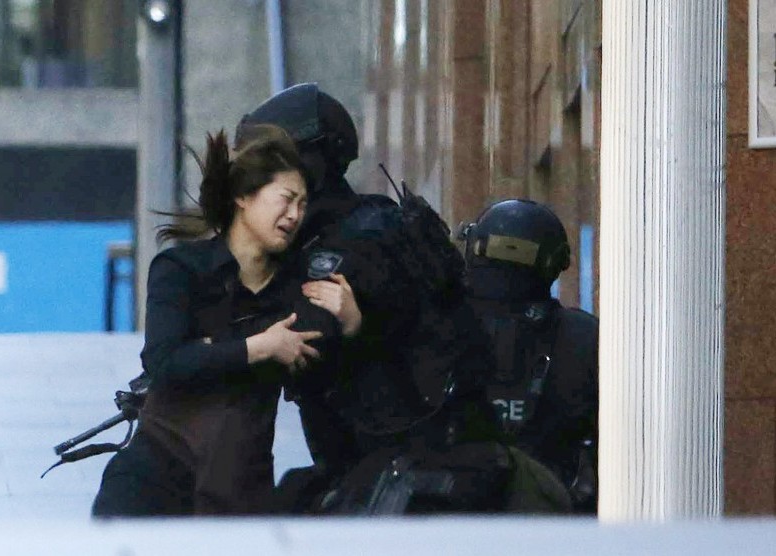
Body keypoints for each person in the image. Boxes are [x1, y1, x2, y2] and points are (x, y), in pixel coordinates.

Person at [236, 84, 571, 515]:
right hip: (404, 463)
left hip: (420, 472)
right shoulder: (358, 226)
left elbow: (305, 329)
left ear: (309, 164)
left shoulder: (350, 246)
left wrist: (212, 351)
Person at [91, 124, 359, 516]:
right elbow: (165, 364)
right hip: (153, 483)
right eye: (286, 199)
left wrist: (351, 323)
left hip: (237, 495)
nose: (295, 214)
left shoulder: (297, 288)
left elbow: (323, 372)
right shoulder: (181, 268)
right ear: (244, 198)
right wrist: (260, 347)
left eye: (303, 205)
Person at [459, 199, 599, 513]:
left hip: (443, 521)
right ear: (553, 264)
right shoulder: (583, 337)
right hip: (554, 524)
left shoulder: (437, 328)